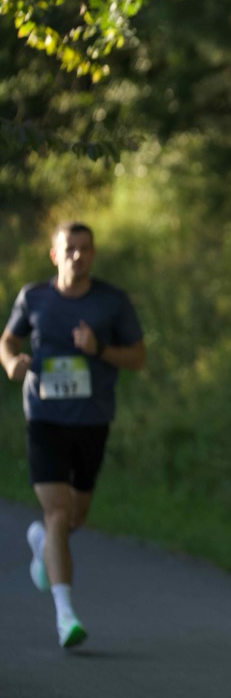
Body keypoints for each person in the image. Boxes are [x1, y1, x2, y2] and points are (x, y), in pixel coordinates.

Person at [1, 222, 146, 649]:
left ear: (93, 254)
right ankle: (66, 616)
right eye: (69, 249)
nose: (77, 256)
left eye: (85, 248)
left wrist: (98, 348)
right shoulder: (34, 297)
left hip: (92, 419)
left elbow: (137, 357)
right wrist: (10, 363)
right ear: (55, 255)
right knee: (58, 513)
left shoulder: (112, 302)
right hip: (44, 417)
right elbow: (7, 340)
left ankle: (42, 543)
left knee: (74, 518)